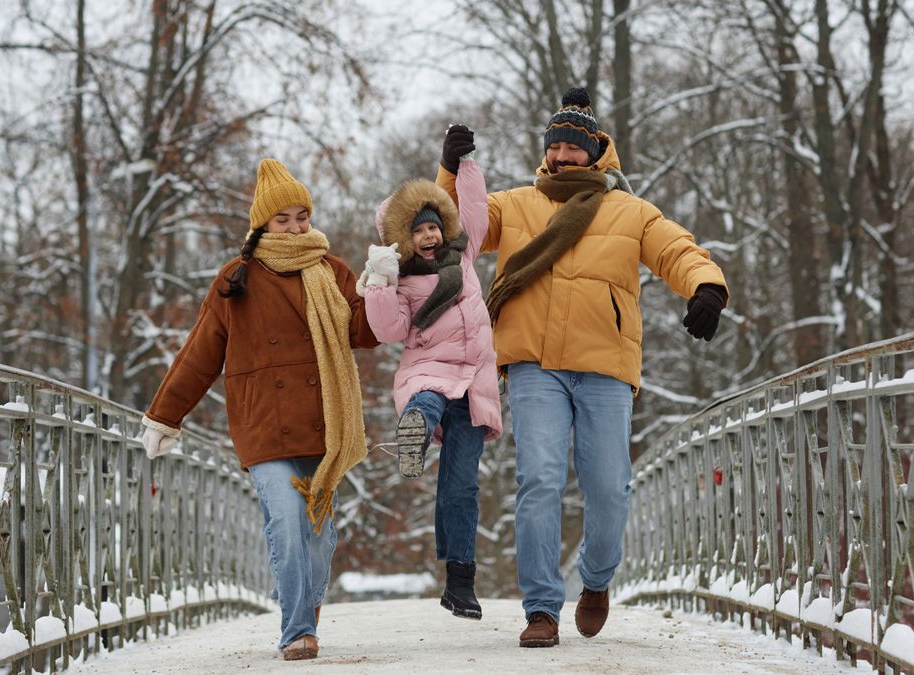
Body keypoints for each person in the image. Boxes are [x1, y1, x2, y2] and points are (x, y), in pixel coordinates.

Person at [437, 88, 730, 648]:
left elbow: (676, 249)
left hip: (604, 364)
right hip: (534, 365)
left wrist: (707, 286)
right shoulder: (516, 204)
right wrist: (450, 169)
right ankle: (542, 608)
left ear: (597, 153)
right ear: (545, 152)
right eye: (556, 147)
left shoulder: (630, 210)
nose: (564, 157)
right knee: (539, 480)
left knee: (608, 489)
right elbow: (457, 226)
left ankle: (595, 581)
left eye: (575, 148)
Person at [138, 159, 378, 661]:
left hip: (322, 420)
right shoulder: (237, 277)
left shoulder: (331, 271)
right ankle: (296, 630)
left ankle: (305, 611)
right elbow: (201, 352)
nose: (295, 227)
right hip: (263, 422)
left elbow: (364, 333)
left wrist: (380, 286)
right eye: (282, 219)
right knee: (285, 522)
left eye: (301, 216)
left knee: (317, 533)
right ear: (262, 224)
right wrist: (165, 416)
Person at [357, 151, 501, 620]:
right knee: (425, 399)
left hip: (475, 383)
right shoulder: (401, 283)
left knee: (461, 488)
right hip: (429, 369)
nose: (428, 236)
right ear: (404, 238)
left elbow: (476, 210)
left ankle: (460, 585)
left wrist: (465, 164)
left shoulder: (466, 257)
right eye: (417, 230)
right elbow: (386, 331)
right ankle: (414, 428)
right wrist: (379, 281)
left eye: (433, 226)